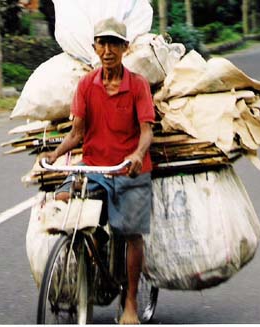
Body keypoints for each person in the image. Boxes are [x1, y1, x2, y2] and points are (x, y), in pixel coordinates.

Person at [42, 17, 155, 324]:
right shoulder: (86, 86)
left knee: (131, 234)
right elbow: (76, 133)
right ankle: (89, 252)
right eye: (102, 43)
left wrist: (137, 154)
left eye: (114, 44)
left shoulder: (138, 85)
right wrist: (54, 154)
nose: (108, 50)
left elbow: (147, 131)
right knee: (62, 199)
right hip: (95, 169)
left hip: (129, 170)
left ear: (125, 48)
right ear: (95, 47)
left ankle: (130, 301)